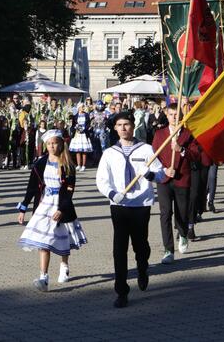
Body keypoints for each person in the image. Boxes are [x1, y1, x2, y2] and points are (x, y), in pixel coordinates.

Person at [96, 111, 166, 308]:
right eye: (120, 125)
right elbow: (101, 180)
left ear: (133, 126)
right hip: (119, 205)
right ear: (115, 129)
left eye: (127, 124)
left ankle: (142, 267)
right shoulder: (109, 153)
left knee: (140, 245)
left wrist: (150, 175)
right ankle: (121, 291)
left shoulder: (146, 149)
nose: (124, 128)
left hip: (141, 204)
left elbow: (161, 175)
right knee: (119, 248)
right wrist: (111, 194)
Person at [17, 130, 87, 292]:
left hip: (61, 204)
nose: (51, 146)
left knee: (63, 237)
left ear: (61, 144)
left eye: (54, 143)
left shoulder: (67, 165)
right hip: (44, 204)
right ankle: (44, 277)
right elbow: (32, 187)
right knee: (44, 240)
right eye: (48, 144)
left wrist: (62, 209)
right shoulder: (40, 163)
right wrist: (23, 208)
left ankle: (64, 265)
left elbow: (69, 190)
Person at [152, 103, 194, 264]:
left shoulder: (188, 134)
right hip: (164, 179)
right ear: (166, 115)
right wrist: (163, 169)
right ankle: (168, 249)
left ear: (181, 115)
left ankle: (183, 234)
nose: (174, 117)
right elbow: (154, 156)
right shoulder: (159, 134)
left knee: (182, 212)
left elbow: (196, 155)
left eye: (177, 114)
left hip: (182, 178)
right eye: (171, 114)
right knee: (165, 213)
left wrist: (181, 149)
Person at [69, 103, 92, 171]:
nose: (83, 108)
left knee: (84, 150)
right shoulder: (75, 116)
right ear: (79, 108)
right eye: (82, 107)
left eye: (83, 107)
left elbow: (88, 124)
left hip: (84, 134)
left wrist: (84, 129)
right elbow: (73, 125)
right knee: (78, 150)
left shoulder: (86, 115)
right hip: (77, 134)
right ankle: (79, 165)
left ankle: (83, 165)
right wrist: (76, 129)